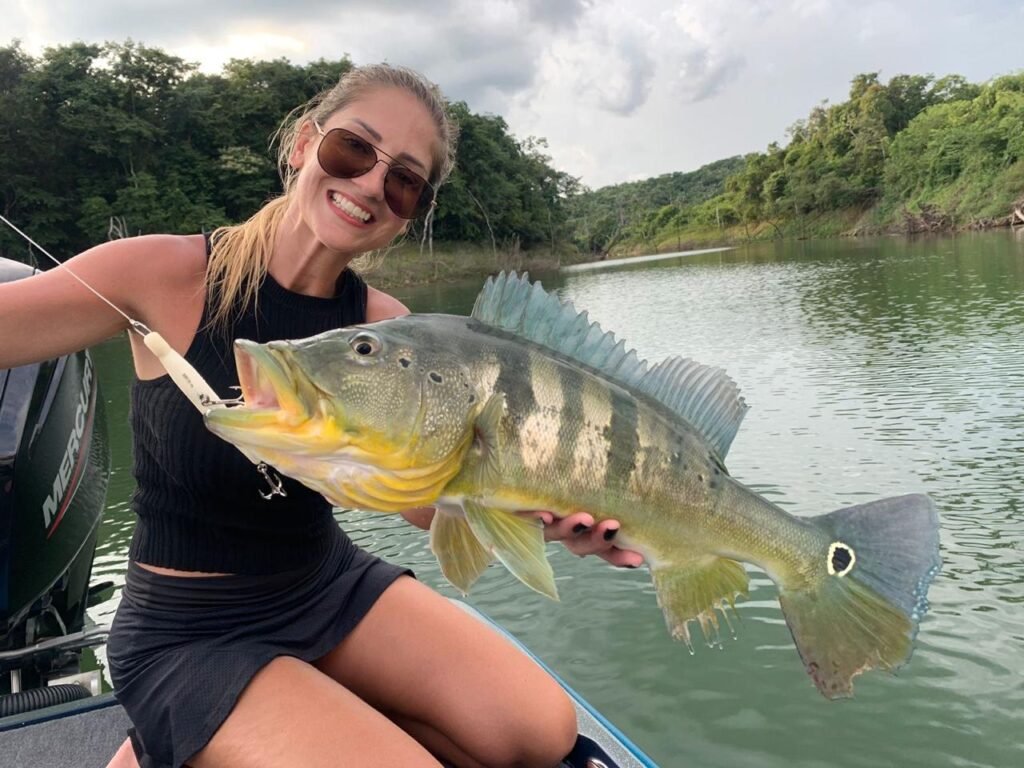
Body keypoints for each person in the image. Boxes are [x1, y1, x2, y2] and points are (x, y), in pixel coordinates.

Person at [0, 64, 643, 768]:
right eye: (353, 150)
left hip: (323, 585)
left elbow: (428, 505)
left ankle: (278, 716)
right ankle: (180, 736)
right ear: (305, 143)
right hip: (188, 629)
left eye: (403, 182)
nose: (371, 184)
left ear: (410, 212)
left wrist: (541, 515)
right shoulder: (162, 275)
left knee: (541, 731)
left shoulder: (390, 331)